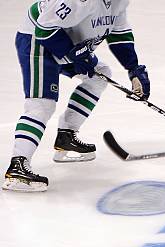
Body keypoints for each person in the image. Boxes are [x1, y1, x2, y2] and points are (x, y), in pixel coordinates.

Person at [4, 0, 150, 192]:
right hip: (38, 40)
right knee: (41, 104)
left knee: (100, 76)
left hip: (66, 39)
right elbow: (44, 28)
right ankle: (18, 167)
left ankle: (66, 136)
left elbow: (118, 33)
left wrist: (133, 68)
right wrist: (74, 55)